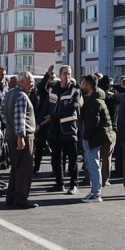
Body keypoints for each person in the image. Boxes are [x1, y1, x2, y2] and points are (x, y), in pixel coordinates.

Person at [44, 65, 81, 194]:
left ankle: (73, 184)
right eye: (65, 73)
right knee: (57, 160)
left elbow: (71, 108)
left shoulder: (75, 90)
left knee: (72, 160)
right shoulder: (53, 89)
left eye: (69, 73)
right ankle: (59, 183)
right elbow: (46, 106)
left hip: (69, 130)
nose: (67, 76)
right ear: (60, 75)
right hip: (55, 130)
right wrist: (40, 122)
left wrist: (52, 117)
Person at [4, 71, 38, 209]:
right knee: (24, 170)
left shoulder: (9, 93)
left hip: (12, 135)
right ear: (22, 82)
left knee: (16, 168)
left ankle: (11, 197)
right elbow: (20, 118)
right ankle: (21, 199)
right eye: (30, 81)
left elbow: (2, 112)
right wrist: (20, 137)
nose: (32, 84)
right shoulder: (21, 96)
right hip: (22, 137)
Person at [79, 74, 113, 203]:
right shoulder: (94, 99)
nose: (82, 85)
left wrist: (85, 136)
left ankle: (96, 193)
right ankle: (95, 191)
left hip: (93, 138)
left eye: (84, 83)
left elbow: (94, 122)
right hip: (94, 137)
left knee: (93, 165)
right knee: (93, 164)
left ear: (89, 85)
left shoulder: (94, 101)